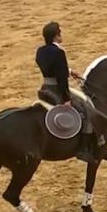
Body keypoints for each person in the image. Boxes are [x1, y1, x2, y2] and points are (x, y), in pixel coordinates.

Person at [35, 21, 96, 161]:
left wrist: (68, 70)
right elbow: (61, 79)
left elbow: (51, 67)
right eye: (60, 33)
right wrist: (66, 98)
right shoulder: (59, 52)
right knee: (86, 109)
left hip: (45, 86)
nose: (61, 35)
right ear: (55, 36)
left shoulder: (40, 51)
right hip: (57, 89)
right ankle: (83, 149)